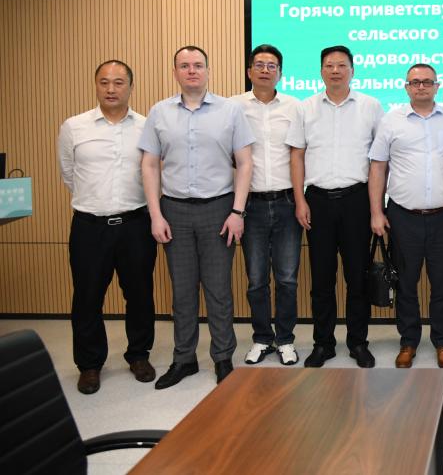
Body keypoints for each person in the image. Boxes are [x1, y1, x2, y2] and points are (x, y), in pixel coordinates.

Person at [139, 45, 254, 388]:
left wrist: (237, 211)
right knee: (182, 291)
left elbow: (245, 163)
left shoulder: (230, 111)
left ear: (208, 71)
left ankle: (222, 357)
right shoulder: (159, 112)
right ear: (175, 72)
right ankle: (184, 359)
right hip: (174, 210)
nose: (192, 71)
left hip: (219, 209)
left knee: (218, 290)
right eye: (185, 65)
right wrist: (155, 215)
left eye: (198, 65)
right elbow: (149, 165)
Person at [57, 60, 157, 394]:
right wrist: (96, 202)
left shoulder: (147, 126)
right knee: (87, 297)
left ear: (131, 87)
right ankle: (89, 364)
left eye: (118, 82)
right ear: (96, 85)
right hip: (90, 226)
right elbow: (68, 173)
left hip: (135, 224)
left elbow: (155, 171)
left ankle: (139, 355)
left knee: (140, 295)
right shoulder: (74, 127)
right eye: (104, 82)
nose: (111, 89)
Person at [287, 45, 383, 368]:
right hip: (318, 202)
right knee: (321, 280)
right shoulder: (306, 107)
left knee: (358, 278)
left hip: (357, 200)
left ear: (352, 70)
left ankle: (358, 342)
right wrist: (300, 199)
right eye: (329, 65)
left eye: (342, 65)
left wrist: (376, 208)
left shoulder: (371, 106)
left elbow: (379, 161)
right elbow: (297, 155)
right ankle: (323, 344)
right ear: (321, 71)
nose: (336, 71)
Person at [368, 64, 443, 369]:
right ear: (406, 87)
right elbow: (378, 167)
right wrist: (376, 211)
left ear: (437, 86)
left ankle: (442, 341)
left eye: (427, 82)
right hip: (403, 216)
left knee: (442, 284)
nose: (421, 86)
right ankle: (408, 341)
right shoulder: (390, 121)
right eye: (415, 82)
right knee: (406, 284)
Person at [230, 44, 302, 366]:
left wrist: (300, 200)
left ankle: (285, 339)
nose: (265, 70)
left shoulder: (294, 107)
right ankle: (262, 338)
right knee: (257, 279)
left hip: (287, 202)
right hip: (251, 205)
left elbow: (299, 154)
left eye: (272, 65)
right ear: (249, 71)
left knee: (287, 278)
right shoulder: (233, 107)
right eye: (259, 64)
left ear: (280, 73)